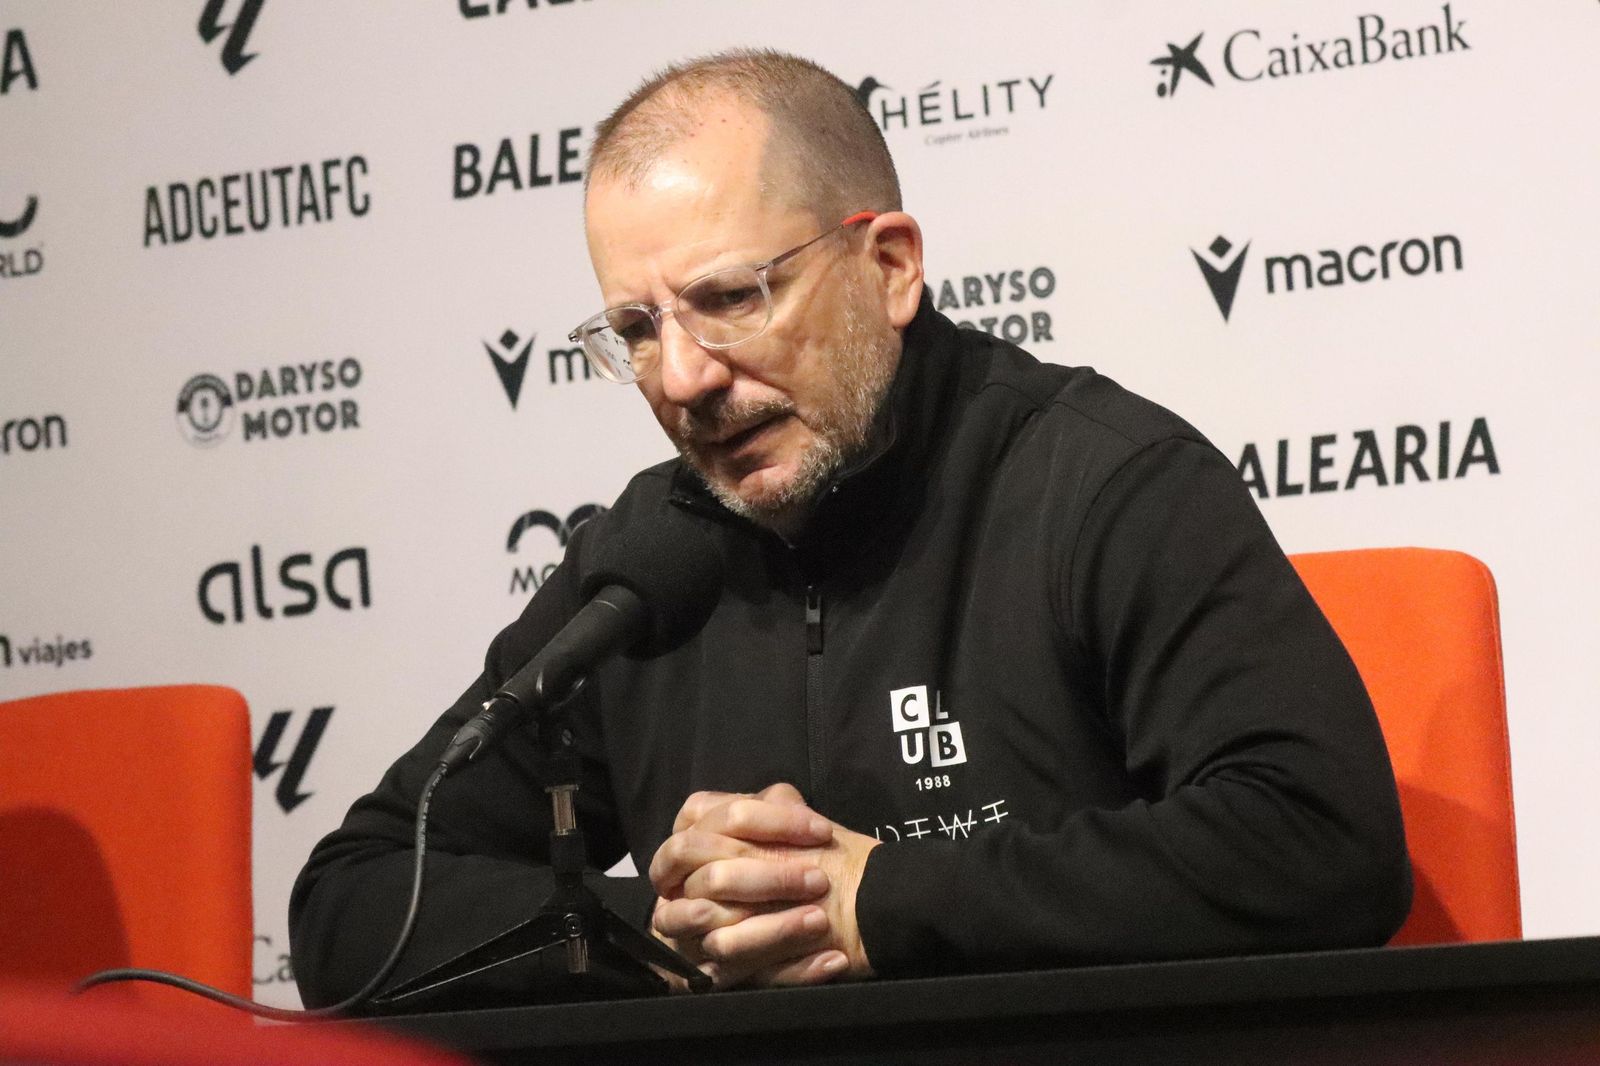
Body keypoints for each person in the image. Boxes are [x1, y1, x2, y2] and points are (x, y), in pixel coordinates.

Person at [290, 49, 1410, 1004]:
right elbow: (354, 902)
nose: (682, 378)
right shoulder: (644, 562)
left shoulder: (1103, 482)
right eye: (635, 328)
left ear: (889, 267)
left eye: (731, 298)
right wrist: (672, 930)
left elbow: (1319, 844)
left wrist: (878, 902)